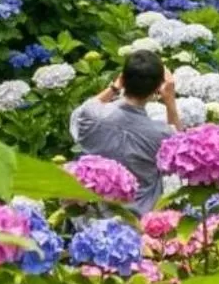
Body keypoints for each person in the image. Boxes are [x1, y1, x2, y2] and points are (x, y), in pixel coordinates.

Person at [69, 48, 188, 212]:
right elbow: (182, 155)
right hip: (139, 224)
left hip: (93, 218)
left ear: (123, 79)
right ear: (157, 89)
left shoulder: (90, 117)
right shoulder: (162, 135)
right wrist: (170, 100)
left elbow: (80, 113)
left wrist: (114, 87)